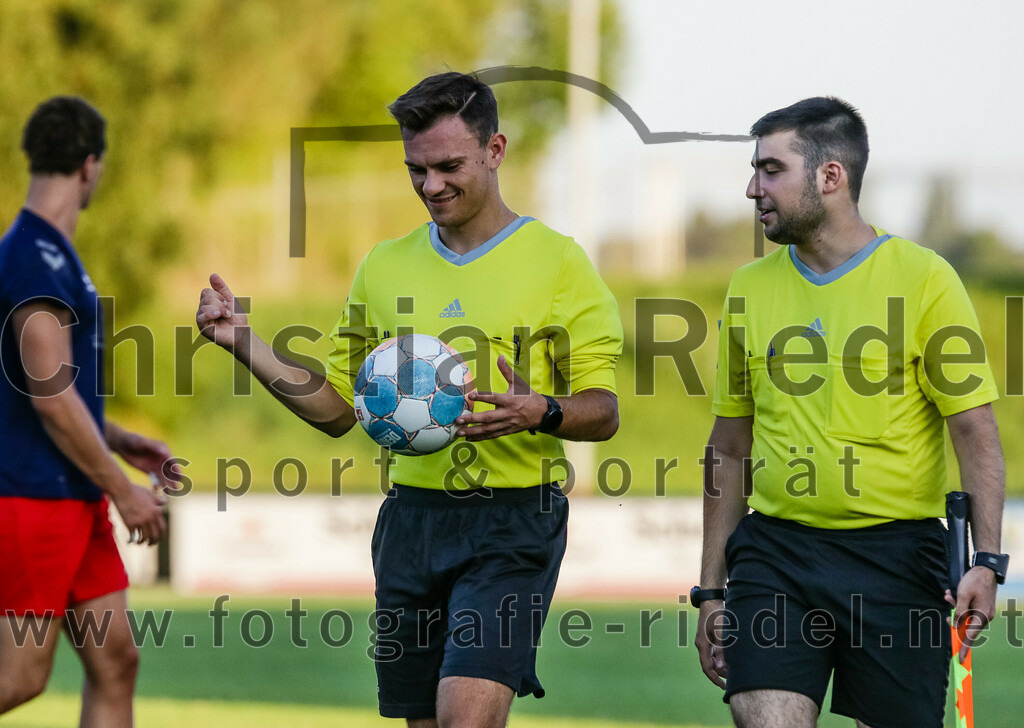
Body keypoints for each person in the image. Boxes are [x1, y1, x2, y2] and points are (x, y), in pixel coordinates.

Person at [196, 71, 622, 727]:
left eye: (449, 165)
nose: (431, 186)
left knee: (464, 719)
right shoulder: (382, 266)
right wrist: (243, 343)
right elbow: (339, 409)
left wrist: (543, 409)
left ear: (495, 150)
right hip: (411, 522)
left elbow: (606, 409)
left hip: (513, 522)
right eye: (415, 170)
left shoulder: (559, 263)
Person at [694, 97, 1008, 728]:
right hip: (777, 553)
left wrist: (988, 561)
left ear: (830, 176)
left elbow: (975, 432)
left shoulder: (925, 280)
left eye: (770, 169)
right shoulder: (748, 287)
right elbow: (728, 448)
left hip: (900, 558)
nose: (752, 188)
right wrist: (711, 591)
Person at [0, 97, 176, 726]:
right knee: (18, 677)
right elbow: (49, 396)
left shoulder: (51, 252)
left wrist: (122, 440)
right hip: (33, 500)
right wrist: (123, 489)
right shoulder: (33, 257)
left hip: (73, 496)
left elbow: (43, 391)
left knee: (116, 662)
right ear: (91, 166)